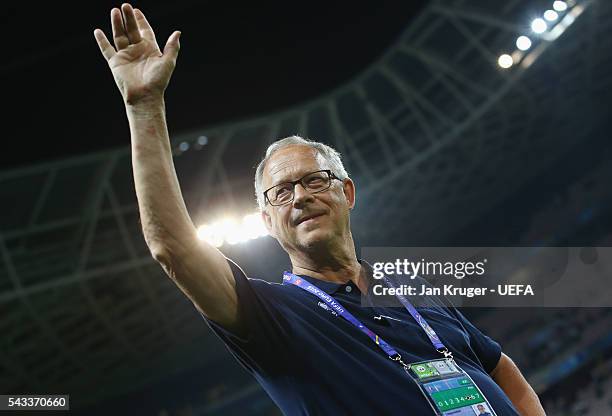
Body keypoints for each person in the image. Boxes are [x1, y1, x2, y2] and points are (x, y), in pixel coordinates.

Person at [94, 4, 547, 415]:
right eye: (281, 193)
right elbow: (173, 248)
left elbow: (500, 366)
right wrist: (144, 107)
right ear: (268, 221)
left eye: (314, 180)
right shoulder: (269, 315)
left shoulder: (413, 292)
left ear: (347, 193)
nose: (301, 197)